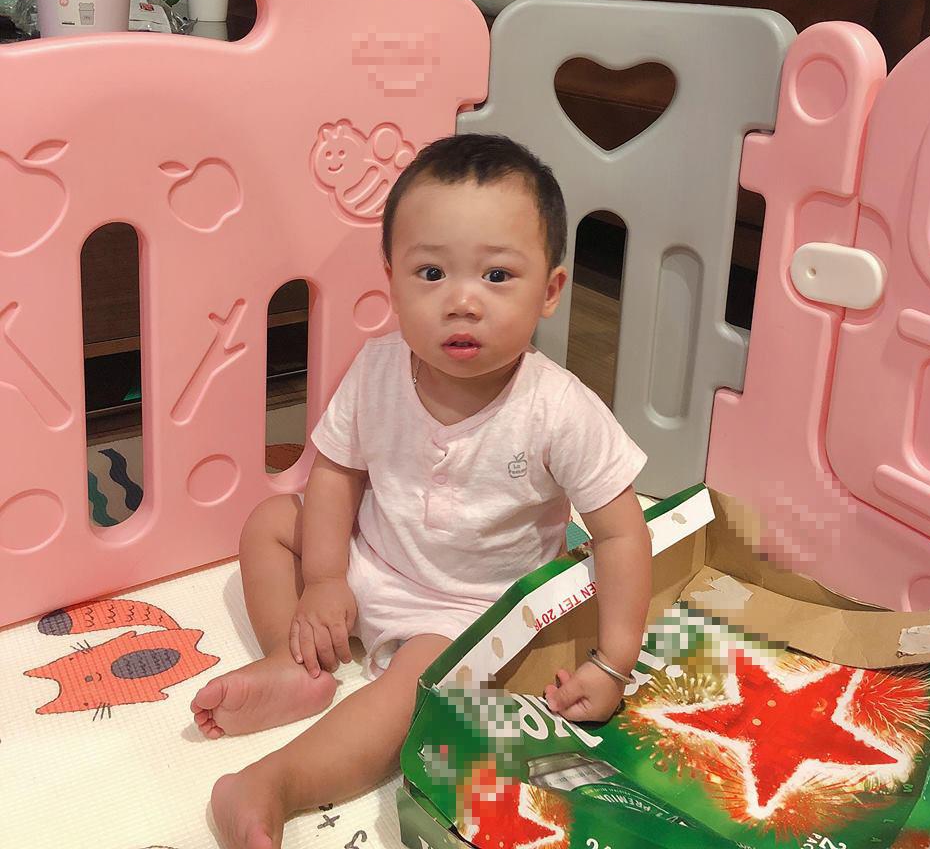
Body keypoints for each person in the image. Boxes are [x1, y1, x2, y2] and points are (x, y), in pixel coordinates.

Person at [190, 134, 653, 849]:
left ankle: (273, 784)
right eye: (431, 273)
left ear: (550, 291)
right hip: (371, 561)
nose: (462, 302)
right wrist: (325, 579)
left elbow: (622, 533)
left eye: (497, 276)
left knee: (417, 688)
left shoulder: (558, 410)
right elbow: (337, 474)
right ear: (391, 280)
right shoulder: (377, 370)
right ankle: (293, 659)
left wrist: (613, 662)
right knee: (271, 520)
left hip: (465, 612)